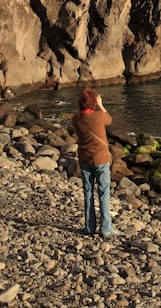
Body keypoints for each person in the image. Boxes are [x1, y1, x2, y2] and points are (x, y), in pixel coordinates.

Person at [72, 88, 121, 238]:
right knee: (103, 192)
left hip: (85, 159)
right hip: (100, 159)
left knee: (88, 192)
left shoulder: (76, 118)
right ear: (93, 102)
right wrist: (100, 104)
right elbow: (109, 119)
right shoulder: (99, 116)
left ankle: (89, 227)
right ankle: (106, 229)